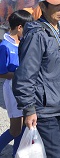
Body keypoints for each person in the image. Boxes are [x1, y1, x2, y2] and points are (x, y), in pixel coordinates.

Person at [12, 0, 60, 158]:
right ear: (43, 6)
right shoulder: (36, 34)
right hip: (43, 108)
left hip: (59, 104)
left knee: (47, 151)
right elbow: (24, 75)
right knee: (56, 154)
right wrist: (29, 109)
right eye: (57, 4)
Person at [0, 10, 33, 157]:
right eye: (27, 28)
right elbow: (1, 72)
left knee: (24, 126)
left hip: (24, 88)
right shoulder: (5, 46)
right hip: (12, 89)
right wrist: (20, 74)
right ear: (19, 27)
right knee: (15, 129)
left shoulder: (23, 42)